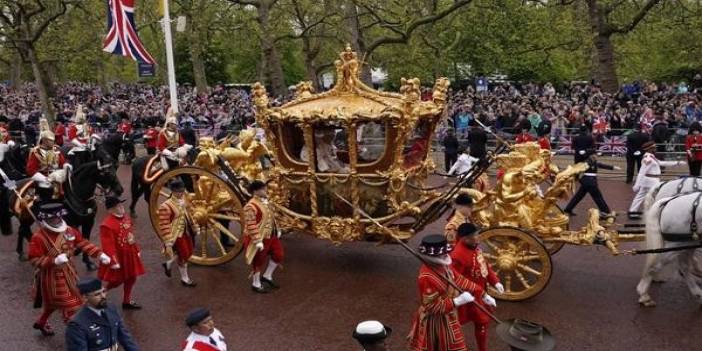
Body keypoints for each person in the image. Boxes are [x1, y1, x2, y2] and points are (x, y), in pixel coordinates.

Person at [28, 203, 111, 336]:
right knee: (71, 306)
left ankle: (42, 322)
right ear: (46, 219)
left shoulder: (69, 231)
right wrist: (53, 260)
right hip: (52, 278)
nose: (57, 220)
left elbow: (82, 243)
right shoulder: (38, 237)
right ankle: (79, 336)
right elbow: (34, 259)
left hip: (70, 273)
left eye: (58, 217)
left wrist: (99, 254)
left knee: (53, 304)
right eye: (53, 219)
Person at [407, 234, 485, 351]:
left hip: (449, 315)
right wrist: (457, 301)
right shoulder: (426, 277)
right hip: (436, 320)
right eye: (442, 254)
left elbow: (459, 279)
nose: (446, 256)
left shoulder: (443, 266)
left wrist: (482, 293)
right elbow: (431, 306)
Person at [450, 223, 501, 351]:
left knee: (482, 323)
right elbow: (455, 279)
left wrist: (495, 281)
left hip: (480, 292)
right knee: (457, 324)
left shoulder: (475, 247)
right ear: (465, 238)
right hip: (467, 296)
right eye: (475, 235)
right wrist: (479, 294)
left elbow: (484, 266)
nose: (478, 237)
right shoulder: (458, 255)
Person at [65, 277, 140, 351]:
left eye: (103, 292)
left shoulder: (111, 308)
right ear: (85, 297)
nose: (103, 296)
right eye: (97, 294)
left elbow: (125, 337)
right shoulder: (77, 325)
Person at [97, 196, 145, 310]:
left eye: (121, 205)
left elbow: (131, 235)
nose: (121, 207)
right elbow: (108, 245)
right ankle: (101, 294)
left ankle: (126, 301)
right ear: (110, 210)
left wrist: (137, 249)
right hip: (118, 257)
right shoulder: (106, 225)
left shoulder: (126, 218)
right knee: (117, 280)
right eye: (117, 206)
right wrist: (113, 261)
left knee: (132, 277)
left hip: (129, 254)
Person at [243, 180, 284, 293]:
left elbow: (272, 218)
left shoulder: (266, 202)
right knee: (258, 261)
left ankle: (267, 276)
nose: (266, 190)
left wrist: (277, 229)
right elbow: (250, 224)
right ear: (256, 191)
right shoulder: (250, 206)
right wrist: (257, 240)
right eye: (263, 189)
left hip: (271, 235)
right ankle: (256, 284)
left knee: (278, 255)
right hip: (260, 237)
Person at [628, 141, 685, 218]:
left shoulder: (651, 157)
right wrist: (637, 184)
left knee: (640, 196)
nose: (655, 149)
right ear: (650, 149)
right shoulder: (648, 158)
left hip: (650, 180)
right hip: (651, 181)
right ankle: (655, 212)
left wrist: (676, 163)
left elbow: (661, 163)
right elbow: (642, 172)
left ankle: (632, 211)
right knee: (657, 195)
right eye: (654, 148)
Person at [158, 178, 197, 287]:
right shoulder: (165, 206)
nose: (180, 193)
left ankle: (168, 264)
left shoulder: (183, 200)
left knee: (186, 252)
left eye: (181, 191)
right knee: (184, 255)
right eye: (178, 192)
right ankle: (185, 279)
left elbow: (188, 215)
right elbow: (164, 224)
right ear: (172, 192)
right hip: (175, 235)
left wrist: (194, 226)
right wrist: (168, 241)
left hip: (185, 231)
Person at [563, 149, 620, 218]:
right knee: (598, 197)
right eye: (595, 154)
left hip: (587, 181)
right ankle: (605, 211)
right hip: (590, 182)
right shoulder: (587, 162)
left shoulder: (592, 161)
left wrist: (613, 167)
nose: (596, 155)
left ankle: (568, 209)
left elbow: (600, 165)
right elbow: (578, 169)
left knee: (578, 196)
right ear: (591, 155)